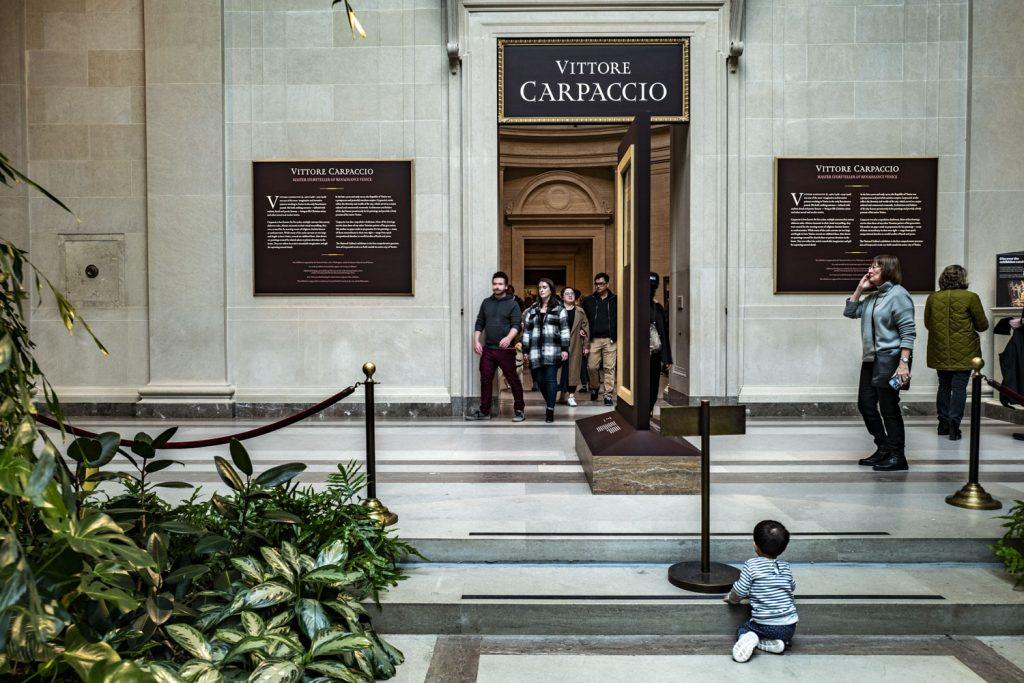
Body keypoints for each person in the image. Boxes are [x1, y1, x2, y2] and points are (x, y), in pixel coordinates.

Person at [843, 254, 917, 472]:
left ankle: (898, 456)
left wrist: (903, 363)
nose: (870, 270)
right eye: (871, 266)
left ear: (887, 269)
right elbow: (850, 312)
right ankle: (883, 447)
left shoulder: (899, 295)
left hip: (891, 359)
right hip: (871, 360)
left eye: (875, 267)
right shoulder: (874, 297)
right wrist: (860, 287)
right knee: (865, 405)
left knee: (889, 408)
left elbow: (908, 332)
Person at [923, 265, 989, 441]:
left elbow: (928, 324)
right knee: (959, 388)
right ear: (962, 279)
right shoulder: (971, 297)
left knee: (943, 386)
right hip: (966, 350)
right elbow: (982, 325)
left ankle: (943, 423)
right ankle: (954, 425)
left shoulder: (933, 298)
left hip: (940, 349)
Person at [724, 520, 798, 663]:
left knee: (743, 630)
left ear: (755, 545)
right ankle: (776, 644)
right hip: (789, 627)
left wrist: (731, 598)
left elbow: (739, 590)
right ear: (783, 548)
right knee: (780, 635)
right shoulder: (785, 567)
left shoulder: (751, 565)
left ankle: (752, 639)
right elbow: (792, 586)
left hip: (765, 625)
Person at [467, 271, 525, 422]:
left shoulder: (513, 304)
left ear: (506, 286)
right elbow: (479, 322)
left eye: (500, 284)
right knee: (485, 379)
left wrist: (508, 338)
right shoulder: (486, 303)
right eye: (494, 284)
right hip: (488, 349)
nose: (497, 287)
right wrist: (476, 341)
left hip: (506, 350)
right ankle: (484, 411)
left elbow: (516, 325)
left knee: (513, 380)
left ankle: (519, 410)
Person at [522, 278, 569, 423]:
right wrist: (525, 349)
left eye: (544, 287)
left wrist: (564, 348)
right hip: (536, 351)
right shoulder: (533, 309)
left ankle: (550, 409)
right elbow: (527, 330)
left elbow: (565, 330)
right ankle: (551, 399)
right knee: (540, 381)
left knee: (550, 379)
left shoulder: (559, 309)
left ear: (551, 290)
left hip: (552, 349)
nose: (541, 290)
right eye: (540, 287)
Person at [582, 272, 617, 406]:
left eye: (601, 283)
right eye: (596, 284)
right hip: (593, 339)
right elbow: (583, 319)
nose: (598, 286)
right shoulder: (589, 301)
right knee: (591, 367)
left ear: (607, 284)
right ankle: (595, 387)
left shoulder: (615, 300)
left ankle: (608, 394)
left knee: (609, 367)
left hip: (610, 339)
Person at [557, 286, 589, 407]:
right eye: (567, 294)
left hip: (575, 344)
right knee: (562, 370)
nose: (570, 295)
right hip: (560, 345)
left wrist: (586, 346)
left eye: (572, 293)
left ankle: (571, 395)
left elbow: (586, 328)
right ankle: (562, 394)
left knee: (574, 370)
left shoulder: (580, 311)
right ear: (562, 297)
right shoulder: (557, 310)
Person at [649, 272, 672, 417]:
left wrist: (667, 357)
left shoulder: (657, 308)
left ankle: (648, 409)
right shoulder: (635, 306)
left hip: (654, 354)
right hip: (640, 354)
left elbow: (663, 332)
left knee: (652, 384)